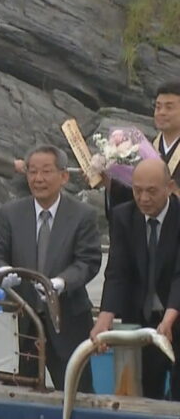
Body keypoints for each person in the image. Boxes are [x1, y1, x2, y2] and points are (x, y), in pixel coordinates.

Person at [0, 145, 101, 391]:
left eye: (46, 171)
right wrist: (1, 272)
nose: (38, 179)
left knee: (76, 394)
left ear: (64, 176)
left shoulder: (83, 214)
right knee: (19, 395)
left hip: (68, 321)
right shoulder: (11, 212)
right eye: (32, 172)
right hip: (22, 322)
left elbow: (88, 261)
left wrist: (62, 282)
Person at [93, 159, 180, 400]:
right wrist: (105, 317)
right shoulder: (124, 216)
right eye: (137, 190)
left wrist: (170, 319)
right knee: (144, 392)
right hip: (141, 319)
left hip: (176, 313)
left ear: (170, 186)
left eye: (151, 191)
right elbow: (117, 271)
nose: (143, 198)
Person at [107, 82, 180, 217]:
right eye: (158, 107)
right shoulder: (143, 149)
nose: (161, 112)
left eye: (169, 107)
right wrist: (109, 182)